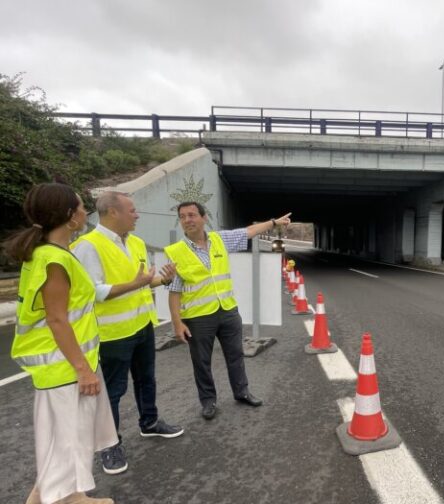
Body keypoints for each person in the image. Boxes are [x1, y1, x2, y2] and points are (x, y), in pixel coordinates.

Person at [7, 183, 116, 504]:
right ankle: (67, 501)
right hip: (65, 362)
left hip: (55, 362)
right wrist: (84, 369)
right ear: (70, 217)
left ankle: (41, 496)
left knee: (59, 432)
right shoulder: (54, 259)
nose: (86, 213)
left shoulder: (42, 253)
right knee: (73, 433)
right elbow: (57, 319)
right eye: (82, 207)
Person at [71, 190, 184, 475]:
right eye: (132, 210)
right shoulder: (88, 246)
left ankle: (150, 423)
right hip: (112, 333)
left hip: (142, 325)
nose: (137, 215)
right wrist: (138, 283)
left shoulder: (134, 242)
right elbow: (94, 293)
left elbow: (142, 283)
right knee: (113, 391)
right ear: (112, 213)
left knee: (147, 379)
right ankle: (110, 444)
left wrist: (162, 279)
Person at [164, 202, 291, 420]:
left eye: (192, 215)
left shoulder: (219, 240)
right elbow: (174, 291)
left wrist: (273, 223)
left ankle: (241, 392)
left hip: (228, 311)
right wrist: (177, 323)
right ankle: (208, 401)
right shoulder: (175, 252)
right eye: (183, 216)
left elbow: (249, 231)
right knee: (201, 362)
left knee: (235, 355)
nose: (187, 220)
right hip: (197, 317)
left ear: (204, 218)